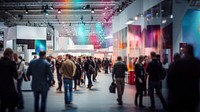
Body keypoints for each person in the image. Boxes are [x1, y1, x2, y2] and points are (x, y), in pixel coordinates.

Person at [167, 44, 200, 112]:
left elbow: (169, 79)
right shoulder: (197, 63)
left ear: (185, 51)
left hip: (178, 96)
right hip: (192, 95)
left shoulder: (177, 63)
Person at [0, 48, 18, 112]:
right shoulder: (11, 63)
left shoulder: (0, 62)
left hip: (1, 87)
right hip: (9, 87)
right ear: (10, 54)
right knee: (11, 107)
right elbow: (16, 76)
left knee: (2, 105)